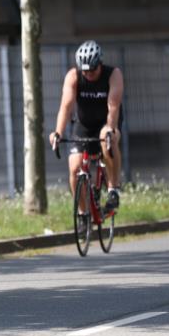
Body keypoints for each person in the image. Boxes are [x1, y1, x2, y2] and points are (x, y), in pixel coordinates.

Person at [49, 40, 124, 214]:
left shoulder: (113, 75)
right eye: (85, 71)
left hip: (107, 121)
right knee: (74, 168)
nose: (88, 74)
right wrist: (58, 132)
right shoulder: (73, 76)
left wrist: (110, 130)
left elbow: (113, 107)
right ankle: (83, 214)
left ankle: (113, 189)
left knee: (108, 138)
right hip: (84, 124)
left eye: (92, 70)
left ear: (100, 64)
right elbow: (66, 107)